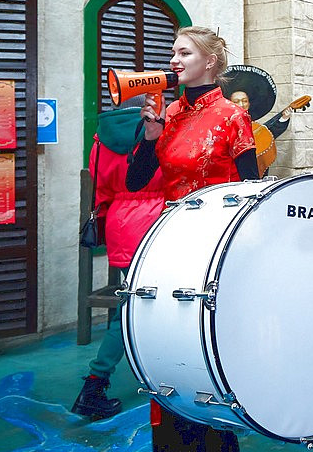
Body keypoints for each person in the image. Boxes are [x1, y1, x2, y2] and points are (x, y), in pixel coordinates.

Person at [126, 26, 257, 451]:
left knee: (207, 347)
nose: (174, 60)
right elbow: (135, 180)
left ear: (210, 62)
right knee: (167, 342)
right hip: (170, 240)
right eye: (173, 52)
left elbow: (252, 187)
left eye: (184, 53)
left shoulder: (233, 116)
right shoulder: (169, 114)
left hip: (216, 243)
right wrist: (150, 135)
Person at [71, 98, 165, 421]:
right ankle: (94, 384)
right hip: (155, 221)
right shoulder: (154, 128)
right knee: (132, 310)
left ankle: (108, 379)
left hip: (120, 224)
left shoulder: (101, 136)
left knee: (133, 303)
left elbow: (100, 187)